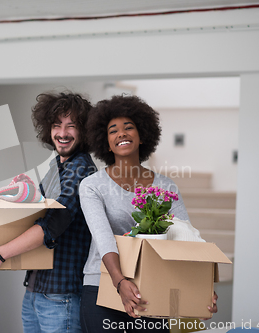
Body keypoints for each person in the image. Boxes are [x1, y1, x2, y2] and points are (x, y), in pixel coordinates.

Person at [78, 95, 218, 333]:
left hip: (153, 286)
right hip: (102, 286)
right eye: (113, 131)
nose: (121, 133)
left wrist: (200, 287)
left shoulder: (166, 186)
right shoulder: (92, 185)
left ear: (142, 136)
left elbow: (185, 238)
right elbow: (104, 240)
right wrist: (120, 282)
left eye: (129, 127)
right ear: (106, 142)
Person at [0, 92, 97, 333]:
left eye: (71, 126)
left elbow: (51, 225)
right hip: (37, 288)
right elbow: (27, 217)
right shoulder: (56, 166)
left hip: (61, 293)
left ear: (84, 131)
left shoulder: (80, 169)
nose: (62, 133)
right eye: (56, 126)